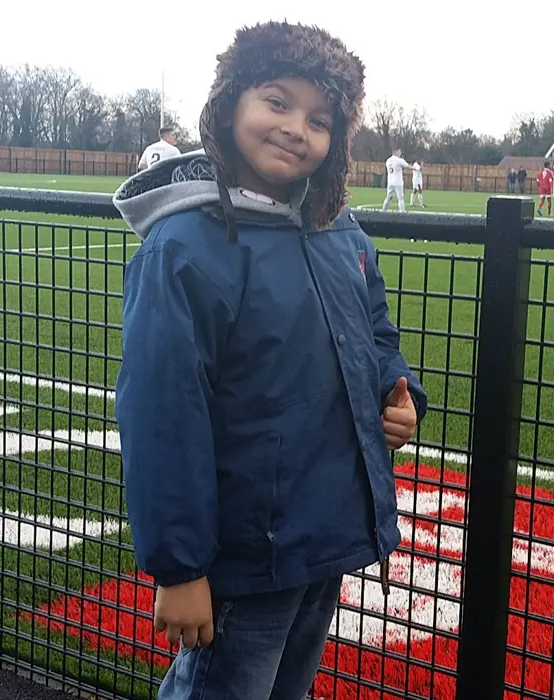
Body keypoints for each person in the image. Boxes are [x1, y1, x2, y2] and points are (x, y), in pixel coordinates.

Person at [112, 21, 427, 700]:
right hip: (245, 554)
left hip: (325, 535)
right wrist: (179, 569)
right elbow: (163, 416)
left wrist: (395, 393)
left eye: (319, 119)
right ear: (229, 107)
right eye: (277, 102)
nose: (296, 129)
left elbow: (373, 329)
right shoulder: (184, 248)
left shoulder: (335, 227)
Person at [381, 147, 411, 212]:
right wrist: (415, 168)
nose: (400, 153)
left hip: (390, 181)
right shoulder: (399, 160)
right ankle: (402, 210)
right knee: (400, 198)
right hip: (398, 182)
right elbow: (407, 166)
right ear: (395, 151)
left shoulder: (388, 160)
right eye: (399, 151)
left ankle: (384, 210)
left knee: (389, 197)